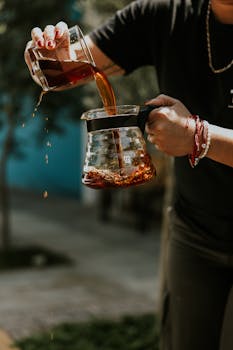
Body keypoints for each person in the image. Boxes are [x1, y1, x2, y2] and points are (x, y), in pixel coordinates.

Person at [24, 0, 233, 349]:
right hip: (194, 233)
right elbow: (62, 70)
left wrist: (200, 137)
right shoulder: (165, 13)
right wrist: (48, 55)